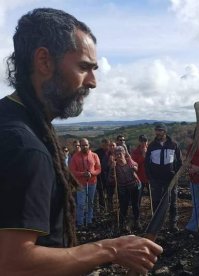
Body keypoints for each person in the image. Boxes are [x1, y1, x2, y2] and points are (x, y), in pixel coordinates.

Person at [0, 8, 162, 275]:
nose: (93, 82)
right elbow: (13, 263)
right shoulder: (25, 148)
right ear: (44, 61)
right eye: (84, 67)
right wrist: (112, 250)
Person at [145, 123, 182, 232]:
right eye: (156, 130)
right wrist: (150, 177)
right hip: (156, 179)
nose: (158, 132)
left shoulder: (174, 145)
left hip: (171, 179)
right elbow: (147, 163)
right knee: (157, 202)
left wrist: (176, 175)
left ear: (165, 132)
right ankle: (157, 225)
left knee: (172, 202)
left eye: (160, 130)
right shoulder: (151, 146)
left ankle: (173, 224)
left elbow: (179, 162)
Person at [108, 146, 142, 231]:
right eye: (116, 154)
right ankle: (122, 223)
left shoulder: (129, 161)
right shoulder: (114, 166)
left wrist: (133, 167)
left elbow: (136, 167)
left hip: (134, 185)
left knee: (135, 205)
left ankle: (137, 221)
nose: (119, 155)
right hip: (123, 187)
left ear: (123, 153)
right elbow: (110, 179)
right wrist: (112, 169)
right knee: (124, 206)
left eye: (120, 153)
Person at [69, 138, 101, 228]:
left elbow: (99, 169)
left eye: (86, 145)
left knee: (90, 202)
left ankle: (89, 220)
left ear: (89, 145)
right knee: (81, 203)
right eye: (82, 145)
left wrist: (92, 173)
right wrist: (83, 174)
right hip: (80, 184)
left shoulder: (94, 155)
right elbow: (72, 171)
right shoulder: (75, 156)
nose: (84, 147)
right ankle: (80, 222)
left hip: (92, 182)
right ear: (80, 145)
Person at [131, 134, 150, 212]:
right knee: (138, 198)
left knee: (154, 197)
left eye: (145, 141)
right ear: (139, 142)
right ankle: (137, 215)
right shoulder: (135, 152)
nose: (144, 143)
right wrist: (143, 155)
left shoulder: (151, 150)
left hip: (150, 178)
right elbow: (135, 164)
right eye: (142, 141)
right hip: (139, 178)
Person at [94, 138, 111, 212]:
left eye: (107, 145)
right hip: (100, 176)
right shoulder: (96, 153)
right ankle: (102, 208)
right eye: (104, 145)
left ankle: (110, 208)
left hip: (110, 175)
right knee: (101, 193)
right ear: (101, 145)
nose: (106, 146)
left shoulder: (111, 152)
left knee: (109, 193)